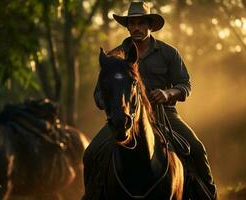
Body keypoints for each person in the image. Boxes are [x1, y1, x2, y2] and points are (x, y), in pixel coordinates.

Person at [83, 1, 217, 199]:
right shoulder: (114, 57)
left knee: (197, 149)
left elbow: (185, 85)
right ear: (127, 26)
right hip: (125, 115)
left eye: (141, 23)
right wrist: (111, 102)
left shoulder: (168, 53)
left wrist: (168, 94)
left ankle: (209, 194)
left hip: (165, 114)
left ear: (150, 26)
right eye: (132, 23)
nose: (136, 28)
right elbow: (99, 94)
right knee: (90, 154)